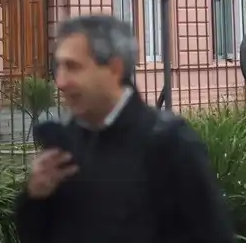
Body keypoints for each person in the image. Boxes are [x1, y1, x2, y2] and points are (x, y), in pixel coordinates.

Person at [14, 14, 233, 243]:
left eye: (73, 67)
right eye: (58, 67)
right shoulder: (64, 146)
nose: (61, 81)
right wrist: (36, 198)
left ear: (115, 69)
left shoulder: (169, 144)